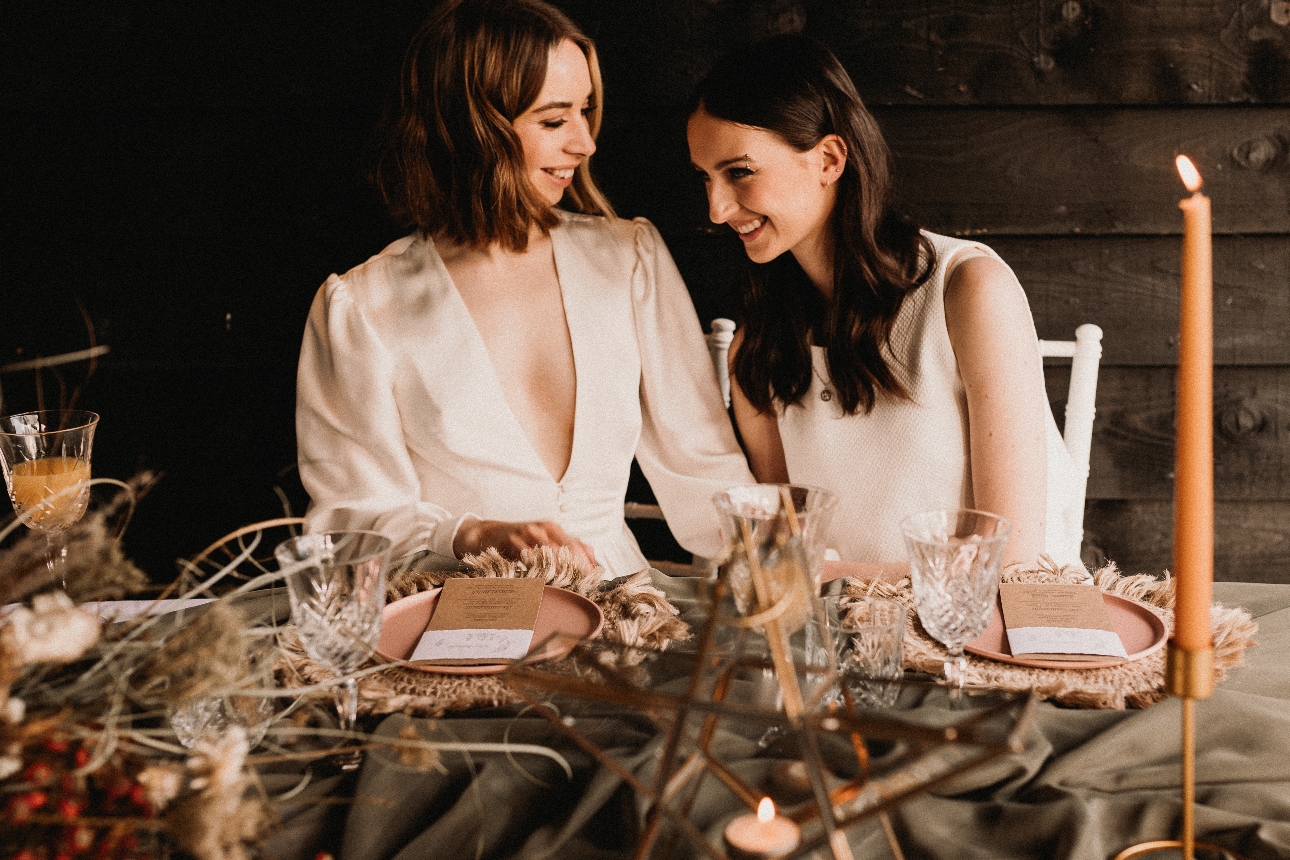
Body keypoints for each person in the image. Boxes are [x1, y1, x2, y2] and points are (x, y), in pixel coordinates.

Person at [295, 0, 753, 579]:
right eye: (554, 120)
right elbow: (348, 528)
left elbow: (703, 467)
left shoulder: (628, 258)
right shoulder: (361, 308)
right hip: (458, 617)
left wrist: (793, 579)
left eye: (585, 113)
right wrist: (468, 535)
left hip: (627, 610)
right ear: (471, 128)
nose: (585, 143)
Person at [686, 33, 1084, 575]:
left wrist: (830, 580)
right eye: (706, 178)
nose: (716, 209)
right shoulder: (757, 352)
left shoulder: (968, 290)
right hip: (840, 642)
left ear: (828, 159)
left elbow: (1009, 555)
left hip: (995, 632)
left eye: (739, 172)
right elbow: (791, 548)